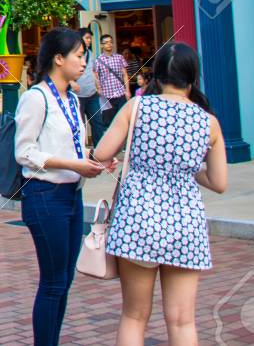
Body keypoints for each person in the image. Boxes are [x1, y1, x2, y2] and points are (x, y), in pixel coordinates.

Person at [94, 42, 227, 346]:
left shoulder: (137, 107)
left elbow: (102, 153)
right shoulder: (208, 122)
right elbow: (219, 182)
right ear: (192, 77)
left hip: (138, 219)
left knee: (134, 315)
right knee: (182, 321)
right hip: (185, 223)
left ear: (156, 75)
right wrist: (186, 168)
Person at [14, 27, 113, 346]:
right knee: (53, 283)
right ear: (58, 58)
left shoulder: (72, 100)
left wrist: (94, 161)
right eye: (80, 55)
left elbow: (71, 146)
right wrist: (74, 164)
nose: (84, 62)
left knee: (64, 280)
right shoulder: (36, 97)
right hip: (45, 197)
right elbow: (24, 152)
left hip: (72, 195)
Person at [74, 28, 106, 145]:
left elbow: (92, 71)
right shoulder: (72, 54)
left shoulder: (90, 53)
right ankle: (81, 151)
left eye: (90, 39)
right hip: (77, 96)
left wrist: (98, 85)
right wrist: (72, 83)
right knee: (79, 125)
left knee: (98, 122)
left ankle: (99, 150)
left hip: (92, 94)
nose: (89, 41)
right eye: (87, 38)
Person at [96, 34, 131, 130]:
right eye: (106, 43)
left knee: (123, 120)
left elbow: (124, 74)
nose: (109, 44)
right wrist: (98, 89)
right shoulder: (98, 60)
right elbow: (96, 77)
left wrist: (127, 90)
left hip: (120, 94)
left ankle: (123, 144)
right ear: (102, 45)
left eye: (111, 42)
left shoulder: (119, 57)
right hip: (107, 96)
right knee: (109, 123)